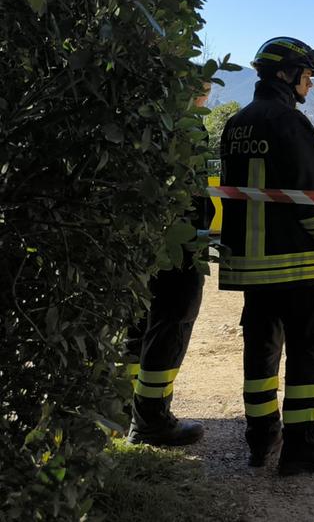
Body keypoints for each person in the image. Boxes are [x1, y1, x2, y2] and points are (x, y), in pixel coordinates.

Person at [219, 36, 314, 474]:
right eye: (307, 75)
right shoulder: (291, 124)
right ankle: (302, 444)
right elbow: (312, 198)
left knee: (260, 351)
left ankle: (260, 438)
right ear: (285, 74)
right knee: (308, 351)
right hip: (298, 263)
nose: (309, 84)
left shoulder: (235, 123)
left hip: (252, 267)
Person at [124, 87, 215, 447]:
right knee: (172, 321)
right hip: (179, 243)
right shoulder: (186, 126)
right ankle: (151, 420)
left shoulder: (142, 116)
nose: (205, 96)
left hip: (143, 241)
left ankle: (127, 407)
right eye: (203, 89)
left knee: (140, 322)